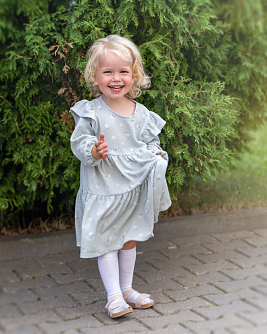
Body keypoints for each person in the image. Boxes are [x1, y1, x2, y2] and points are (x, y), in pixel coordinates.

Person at [70, 35, 171, 318]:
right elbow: (79, 143)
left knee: (128, 240)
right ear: (94, 76)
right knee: (106, 241)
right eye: (108, 72)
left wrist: (157, 157)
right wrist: (94, 150)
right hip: (103, 189)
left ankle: (126, 290)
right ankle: (113, 296)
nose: (116, 78)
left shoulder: (143, 114)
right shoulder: (90, 112)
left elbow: (152, 145)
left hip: (132, 190)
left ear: (135, 76)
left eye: (123, 71)